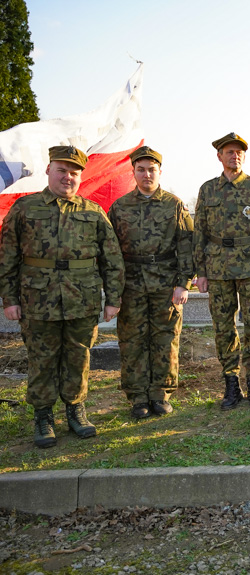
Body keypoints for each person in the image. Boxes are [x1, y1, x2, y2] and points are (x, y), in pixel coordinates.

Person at [0, 145, 124, 448]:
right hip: (37, 300)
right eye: (62, 170)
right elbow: (7, 256)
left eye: (74, 172)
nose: (68, 177)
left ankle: (76, 410)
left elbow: (112, 258)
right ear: (49, 170)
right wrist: (9, 299)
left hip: (82, 299)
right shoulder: (25, 208)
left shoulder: (93, 212)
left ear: (80, 175)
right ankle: (43, 416)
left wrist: (114, 299)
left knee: (78, 357)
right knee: (42, 359)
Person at [192, 133, 250, 411]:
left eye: (239, 152)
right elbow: (200, 233)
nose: (235, 156)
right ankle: (231, 382)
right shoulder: (208, 190)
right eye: (229, 152)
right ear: (219, 156)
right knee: (223, 328)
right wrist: (200, 272)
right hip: (217, 268)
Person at [108, 146, 194, 419]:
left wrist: (183, 283)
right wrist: (113, 292)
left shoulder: (174, 204)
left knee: (165, 339)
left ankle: (160, 394)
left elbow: (186, 245)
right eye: (141, 169)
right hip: (131, 284)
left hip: (165, 283)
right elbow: (110, 252)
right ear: (133, 172)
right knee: (132, 341)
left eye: (151, 169)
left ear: (159, 171)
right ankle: (137, 397)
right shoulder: (120, 207)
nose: (147, 174)